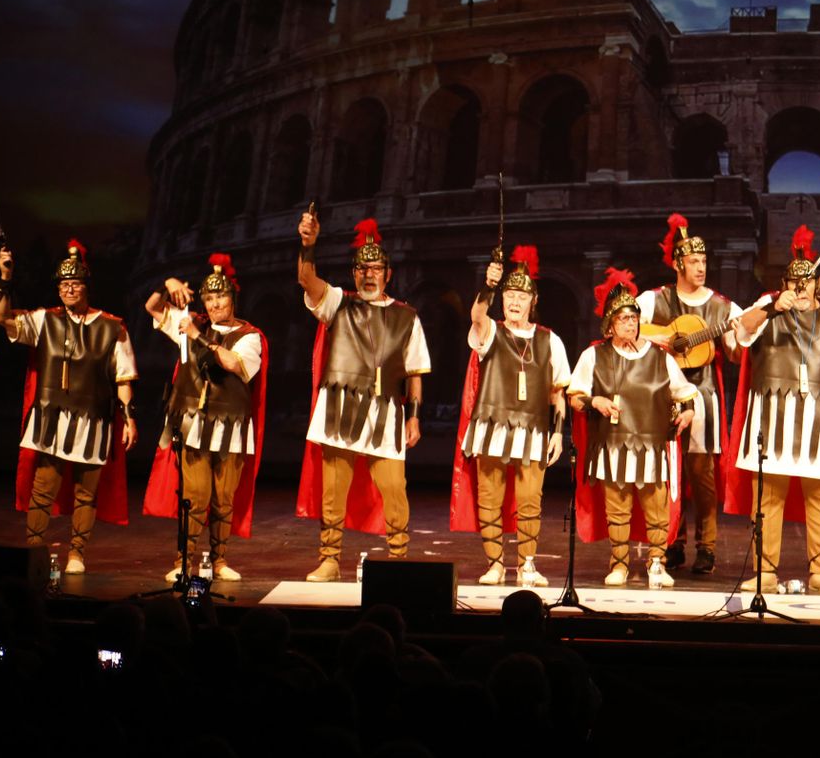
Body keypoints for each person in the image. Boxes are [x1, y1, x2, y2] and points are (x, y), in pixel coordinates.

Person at [723, 225, 820, 594]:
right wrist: (770, 306)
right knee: (767, 497)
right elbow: (740, 333)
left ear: (819, 284)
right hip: (771, 416)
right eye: (794, 284)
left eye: (808, 283)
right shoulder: (766, 309)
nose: (801, 290)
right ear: (784, 284)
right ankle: (765, 571)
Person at [295, 215, 431, 582]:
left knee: (394, 489)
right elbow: (307, 281)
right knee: (333, 490)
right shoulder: (339, 303)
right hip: (339, 406)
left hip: (386, 411)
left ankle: (398, 556)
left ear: (389, 274)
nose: (369, 274)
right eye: (362, 268)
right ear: (354, 273)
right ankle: (329, 558)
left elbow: (415, 371)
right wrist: (308, 245)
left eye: (376, 269)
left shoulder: (407, 318)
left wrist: (414, 418)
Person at [0, 240, 137, 573]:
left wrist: (129, 420)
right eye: (63, 284)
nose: (69, 289)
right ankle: (34, 550)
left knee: (86, 494)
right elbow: (2, 318)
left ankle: (77, 553)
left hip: (93, 419)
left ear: (86, 287)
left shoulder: (112, 327)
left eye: (75, 284)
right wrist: (5, 277)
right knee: (42, 489)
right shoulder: (45, 320)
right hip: (52, 417)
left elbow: (123, 379)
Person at [140, 252, 267, 582]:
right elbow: (153, 308)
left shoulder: (249, 336)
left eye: (220, 296)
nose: (214, 304)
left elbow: (234, 364)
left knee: (223, 500)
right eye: (209, 298)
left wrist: (199, 337)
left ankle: (220, 560)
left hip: (231, 427)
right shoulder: (189, 324)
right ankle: (185, 560)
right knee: (194, 496)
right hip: (193, 424)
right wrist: (166, 283)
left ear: (233, 297)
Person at [568, 267, 697, 587]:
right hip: (613, 446)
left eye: (633, 318)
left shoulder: (659, 357)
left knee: (657, 510)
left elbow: (685, 393)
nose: (630, 323)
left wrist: (688, 413)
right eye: (623, 319)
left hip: (652, 447)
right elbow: (575, 396)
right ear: (609, 326)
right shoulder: (593, 356)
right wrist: (595, 402)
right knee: (618, 509)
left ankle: (656, 563)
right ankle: (619, 564)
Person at [451, 246, 569, 586]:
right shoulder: (490, 332)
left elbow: (558, 392)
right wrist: (487, 286)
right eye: (509, 295)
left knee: (531, 500)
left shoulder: (551, 341)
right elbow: (476, 317)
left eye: (521, 296)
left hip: (533, 429)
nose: (514, 302)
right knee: (490, 498)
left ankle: (528, 564)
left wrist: (558, 434)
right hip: (492, 426)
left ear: (533, 301)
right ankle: (495, 563)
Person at [637, 213, 742, 575]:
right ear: (678, 263)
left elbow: (735, 351)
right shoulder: (655, 300)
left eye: (704, 261)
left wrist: (740, 337)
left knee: (702, 475)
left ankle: (707, 546)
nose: (701, 267)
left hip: (705, 395)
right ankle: (673, 543)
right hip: (663, 394)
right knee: (669, 473)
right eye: (694, 261)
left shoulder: (723, 306)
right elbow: (623, 324)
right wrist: (664, 338)